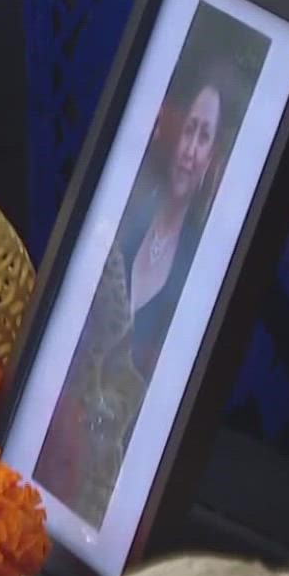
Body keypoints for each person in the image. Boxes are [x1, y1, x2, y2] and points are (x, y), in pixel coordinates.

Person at [34, 70, 233, 526]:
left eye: (203, 137)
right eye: (188, 129)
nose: (189, 149)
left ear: (212, 157)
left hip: (115, 490)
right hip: (53, 440)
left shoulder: (195, 270)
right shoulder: (122, 217)